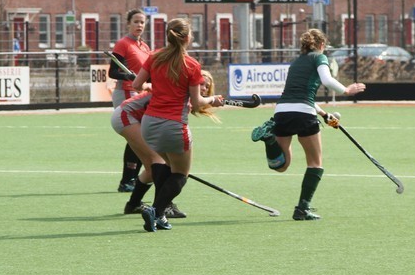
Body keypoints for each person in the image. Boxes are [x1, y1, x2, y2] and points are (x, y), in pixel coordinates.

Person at [250, 29, 366, 221]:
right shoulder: (319, 57)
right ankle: (302, 209)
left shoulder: (296, 62)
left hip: (282, 111)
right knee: (315, 163)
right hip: (304, 113)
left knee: (281, 165)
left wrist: (324, 114)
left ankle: (269, 140)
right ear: (321, 45)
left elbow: (300, 95)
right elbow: (326, 80)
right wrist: (346, 90)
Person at [132, 19, 223, 232]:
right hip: (174, 125)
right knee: (181, 174)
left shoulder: (154, 56)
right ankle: (156, 211)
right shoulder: (191, 65)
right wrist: (213, 100)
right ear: (188, 37)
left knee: (167, 166)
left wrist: (151, 85)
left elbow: (136, 85)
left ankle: (159, 216)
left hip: (149, 124)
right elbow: (198, 102)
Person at [110, 71, 218, 218]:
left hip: (132, 117)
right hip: (127, 115)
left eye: (207, 86)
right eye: (201, 84)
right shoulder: (177, 93)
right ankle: (163, 207)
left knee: (151, 169)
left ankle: (133, 204)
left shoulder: (185, 97)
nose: (204, 88)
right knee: (158, 161)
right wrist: (212, 100)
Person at [108, 9, 151, 193]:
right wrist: (128, 76)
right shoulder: (123, 44)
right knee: (136, 135)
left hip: (140, 93)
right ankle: (127, 180)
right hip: (126, 92)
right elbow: (113, 72)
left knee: (141, 136)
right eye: (136, 22)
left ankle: (131, 179)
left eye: (142, 22)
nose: (139, 25)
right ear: (128, 24)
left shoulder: (145, 47)